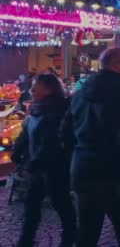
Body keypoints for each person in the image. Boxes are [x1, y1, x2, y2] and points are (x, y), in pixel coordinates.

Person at [62, 48, 120, 246]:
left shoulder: (81, 93)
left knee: (87, 233)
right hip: (117, 173)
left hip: (84, 168)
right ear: (115, 65)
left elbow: (65, 132)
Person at [12, 74, 76, 247]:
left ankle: (69, 239)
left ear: (48, 89)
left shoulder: (57, 110)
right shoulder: (36, 108)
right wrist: (17, 152)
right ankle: (26, 240)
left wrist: (34, 161)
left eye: (35, 86)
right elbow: (27, 133)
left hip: (54, 167)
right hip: (38, 166)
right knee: (32, 205)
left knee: (61, 203)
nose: (31, 90)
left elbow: (51, 142)